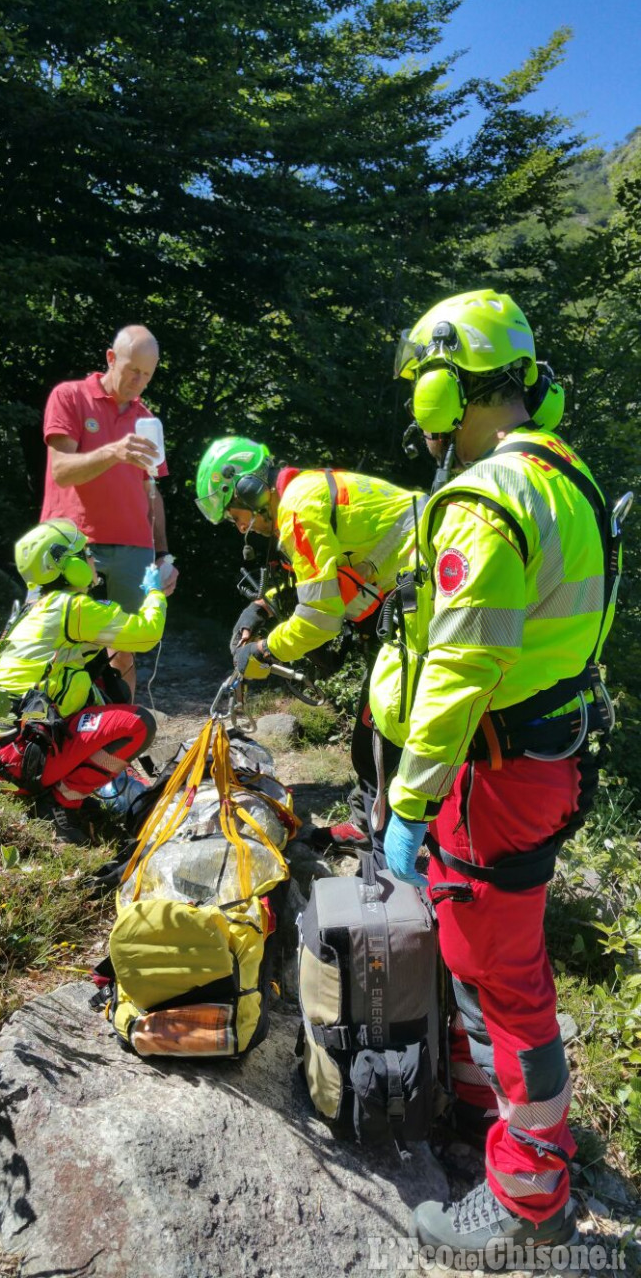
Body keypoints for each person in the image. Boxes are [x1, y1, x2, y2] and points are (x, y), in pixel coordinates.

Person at [369, 289, 622, 1260]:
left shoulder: (484, 500)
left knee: (503, 978)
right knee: (497, 964)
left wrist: (409, 800)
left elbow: (461, 670)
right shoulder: (568, 479)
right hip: (547, 760)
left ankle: (527, 1198)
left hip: (494, 773)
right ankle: (486, 1099)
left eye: (422, 382)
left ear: (449, 383)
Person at [195, 437, 425, 843]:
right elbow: (315, 579)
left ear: (249, 490)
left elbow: (319, 618)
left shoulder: (299, 509)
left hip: (421, 597)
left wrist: (265, 651)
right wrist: (261, 609)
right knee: (380, 719)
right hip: (408, 593)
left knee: (380, 720)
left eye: (236, 515)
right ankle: (380, 819)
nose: (241, 527)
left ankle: (380, 830)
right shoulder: (301, 495)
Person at [0, 519, 174, 844]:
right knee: (139, 724)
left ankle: (63, 784)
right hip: (25, 761)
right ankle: (62, 801)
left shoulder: (37, 609)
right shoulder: (71, 607)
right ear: (70, 565)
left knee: (103, 680)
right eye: (86, 553)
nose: (93, 559)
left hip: (3, 757)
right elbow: (146, 634)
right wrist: (155, 592)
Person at [40, 325, 178, 697]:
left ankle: (117, 747)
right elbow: (61, 470)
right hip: (73, 546)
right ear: (111, 358)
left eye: (148, 374)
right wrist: (114, 452)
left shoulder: (147, 420)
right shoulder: (69, 396)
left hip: (134, 552)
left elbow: (153, 491)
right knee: (58, 647)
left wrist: (164, 555)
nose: (139, 381)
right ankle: (52, 743)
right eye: (134, 369)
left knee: (125, 653)